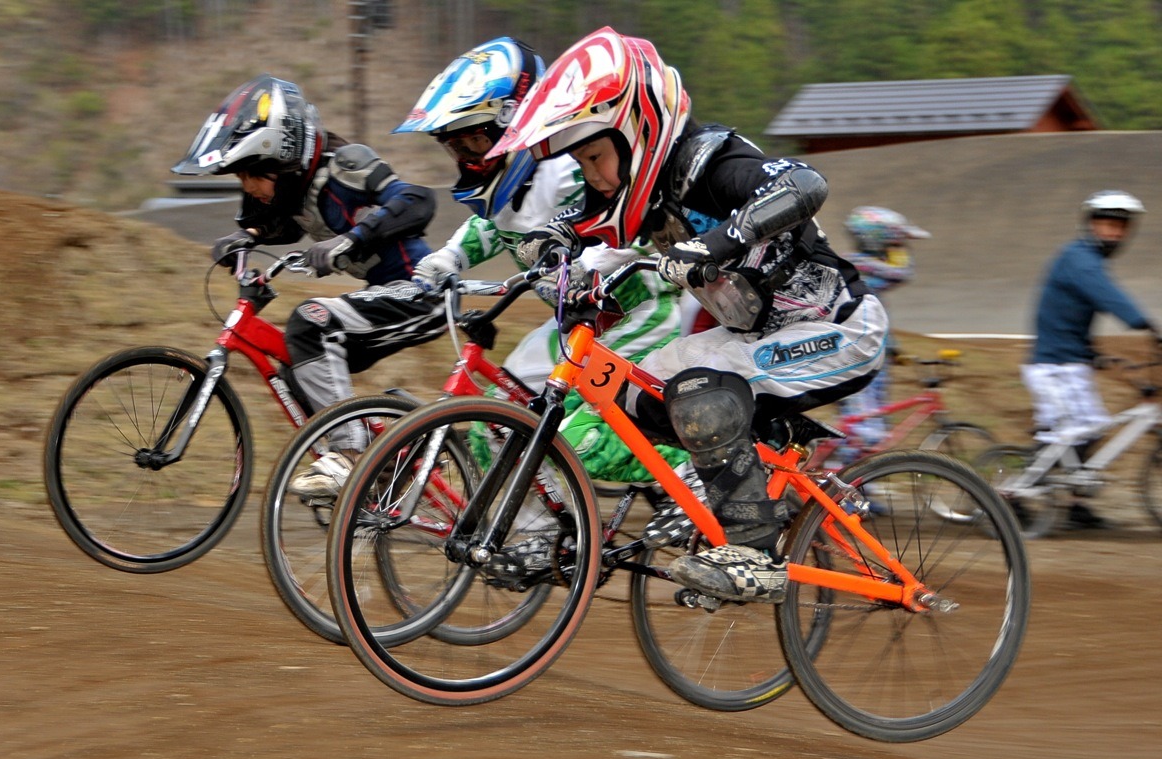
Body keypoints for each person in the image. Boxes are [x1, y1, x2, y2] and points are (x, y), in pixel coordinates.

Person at [488, 28, 888, 601]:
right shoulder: (640, 191)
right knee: (637, 394)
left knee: (700, 391)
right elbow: (586, 218)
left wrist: (717, 244)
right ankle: (729, 499)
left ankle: (754, 554)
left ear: (637, 130)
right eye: (582, 162)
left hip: (840, 329)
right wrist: (548, 245)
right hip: (756, 338)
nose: (596, 175)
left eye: (597, 156)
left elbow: (805, 181)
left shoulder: (712, 163)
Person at [392, 38, 689, 503]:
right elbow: (497, 224)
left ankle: (695, 467)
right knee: (495, 420)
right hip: (574, 327)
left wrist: (591, 262)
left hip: (639, 315)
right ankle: (535, 541)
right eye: (457, 147)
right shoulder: (516, 188)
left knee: (571, 440)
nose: (468, 158)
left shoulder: (572, 170)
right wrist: (448, 259)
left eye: (475, 141)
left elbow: (629, 219)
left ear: (515, 123)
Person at [171, 74, 440, 496]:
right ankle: (401, 442)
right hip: (382, 294)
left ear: (282, 160)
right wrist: (248, 240)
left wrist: (351, 239)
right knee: (298, 367)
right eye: (240, 178)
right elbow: (275, 225)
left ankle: (351, 455)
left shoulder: (346, 166)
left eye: (251, 175)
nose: (248, 188)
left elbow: (419, 200)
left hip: (423, 290)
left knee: (310, 322)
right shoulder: (289, 191)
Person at [1022, 189, 1156, 529]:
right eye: (1108, 225)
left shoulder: (1087, 260)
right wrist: (1144, 324)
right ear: (1091, 226)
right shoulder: (1079, 258)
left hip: (1069, 361)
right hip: (1054, 365)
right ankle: (1011, 496)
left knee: (1090, 429)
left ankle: (1076, 503)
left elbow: (1069, 313)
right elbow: (1104, 293)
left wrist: (1091, 353)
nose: (1114, 233)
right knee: (1066, 434)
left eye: (1121, 227)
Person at [834, 206, 930, 460]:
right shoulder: (860, 266)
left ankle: (858, 486)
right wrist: (900, 247)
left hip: (871, 356)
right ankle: (848, 489)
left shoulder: (857, 265)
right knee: (865, 432)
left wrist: (892, 346)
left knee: (870, 426)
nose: (895, 249)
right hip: (859, 358)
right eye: (892, 243)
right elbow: (902, 273)